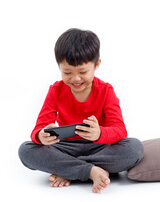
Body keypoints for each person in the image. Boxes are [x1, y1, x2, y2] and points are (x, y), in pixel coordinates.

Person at [18, 28, 144, 193]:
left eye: (83, 72)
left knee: (134, 148)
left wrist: (99, 134)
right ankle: (91, 170)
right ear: (59, 67)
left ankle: (69, 170)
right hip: (65, 146)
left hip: (100, 146)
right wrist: (41, 135)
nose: (75, 79)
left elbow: (120, 130)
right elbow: (38, 128)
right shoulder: (55, 90)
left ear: (96, 65)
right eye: (67, 72)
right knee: (26, 150)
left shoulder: (106, 90)